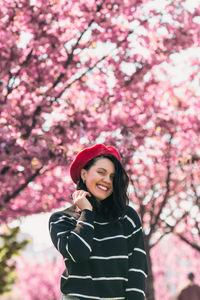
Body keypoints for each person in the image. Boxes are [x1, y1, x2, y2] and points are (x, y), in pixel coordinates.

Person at [49, 144, 148, 300]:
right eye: (101, 172)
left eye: (112, 176)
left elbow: (137, 270)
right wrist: (87, 213)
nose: (107, 180)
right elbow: (79, 253)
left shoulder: (127, 217)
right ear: (84, 174)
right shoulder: (61, 219)